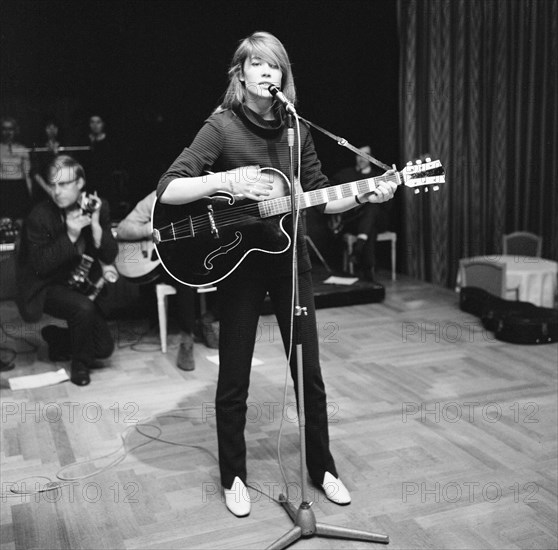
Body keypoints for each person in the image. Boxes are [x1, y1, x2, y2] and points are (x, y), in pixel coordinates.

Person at [156, 31, 396, 517]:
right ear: (240, 74)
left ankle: (323, 468)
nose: (269, 74)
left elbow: (325, 196)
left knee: (309, 374)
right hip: (240, 267)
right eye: (259, 65)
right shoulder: (220, 128)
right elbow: (168, 189)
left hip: (291, 264)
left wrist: (367, 193)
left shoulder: (296, 130)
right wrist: (227, 180)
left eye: (277, 67)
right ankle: (234, 476)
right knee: (235, 378)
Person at [16, 155, 118, 386]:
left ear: (80, 183)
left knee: (103, 349)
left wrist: (95, 227)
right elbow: (40, 265)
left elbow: (110, 255)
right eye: (53, 185)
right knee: (82, 308)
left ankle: (57, 338)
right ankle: (79, 367)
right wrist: (71, 235)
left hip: (81, 285)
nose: (57, 191)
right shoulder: (40, 216)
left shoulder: (96, 207)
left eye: (63, 184)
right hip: (47, 286)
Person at [115, 190, 201, 371]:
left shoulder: (207, 197)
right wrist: (150, 229)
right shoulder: (158, 197)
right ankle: (187, 340)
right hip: (164, 261)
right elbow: (122, 229)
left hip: (201, 257)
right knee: (183, 276)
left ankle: (211, 321)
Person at [331, 145, 392, 288]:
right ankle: (367, 265)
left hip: (378, 217)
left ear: (372, 158)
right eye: (359, 154)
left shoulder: (379, 176)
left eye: (366, 155)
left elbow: (388, 206)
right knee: (370, 229)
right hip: (354, 220)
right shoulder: (345, 175)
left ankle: (359, 250)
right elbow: (328, 188)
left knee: (372, 205)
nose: (362, 158)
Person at [0, 117, 32, 220]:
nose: (8, 132)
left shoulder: (22, 149)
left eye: (10, 129)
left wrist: (30, 193)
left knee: (19, 222)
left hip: (19, 189)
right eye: (4, 129)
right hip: (3, 188)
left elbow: (27, 175)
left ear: (15, 131)